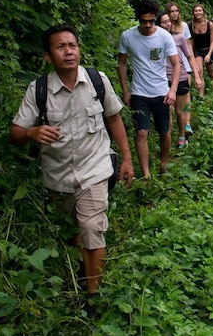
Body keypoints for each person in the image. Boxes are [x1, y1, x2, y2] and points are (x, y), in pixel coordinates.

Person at [9, 24, 135, 303]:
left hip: (95, 169)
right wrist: (32, 133)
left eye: (72, 46)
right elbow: (15, 133)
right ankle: (84, 263)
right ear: (48, 56)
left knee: (91, 228)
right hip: (59, 178)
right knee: (74, 231)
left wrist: (126, 158)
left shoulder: (96, 80)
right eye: (60, 47)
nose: (68, 52)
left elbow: (114, 118)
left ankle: (92, 294)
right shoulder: (38, 90)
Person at [117, 0, 180, 177]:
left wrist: (173, 90)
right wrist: (125, 91)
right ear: (138, 19)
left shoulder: (164, 37)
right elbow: (121, 64)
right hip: (139, 92)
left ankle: (164, 162)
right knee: (141, 132)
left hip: (161, 92)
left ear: (156, 19)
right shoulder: (127, 37)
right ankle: (146, 174)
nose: (147, 25)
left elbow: (176, 65)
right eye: (143, 21)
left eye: (151, 21)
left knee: (164, 131)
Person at [158, 11, 193, 148]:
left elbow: (189, 56)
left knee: (179, 110)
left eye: (168, 21)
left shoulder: (179, 38)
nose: (167, 24)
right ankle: (167, 139)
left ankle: (182, 136)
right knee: (167, 111)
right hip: (163, 78)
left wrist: (196, 73)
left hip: (181, 77)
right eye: (164, 22)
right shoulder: (155, 40)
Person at [165, 1, 203, 103]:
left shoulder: (183, 26)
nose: (175, 13)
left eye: (176, 11)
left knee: (186, 94)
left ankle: (187, 119)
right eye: (172, 11)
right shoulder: (165, 27)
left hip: (184, 62)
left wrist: (194, 63)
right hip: (169, 64)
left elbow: (188, 45)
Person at [190, 3, 213, 94]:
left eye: (200, 10)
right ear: (193, 13)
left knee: (212, 73)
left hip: (209, 48)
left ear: (203, 12)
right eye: (196, 11)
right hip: (197, 50)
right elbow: (191, 41)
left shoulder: (210, 24)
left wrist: (209, 54)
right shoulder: (191, 24)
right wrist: (191, 55)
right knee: (199, 71)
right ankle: (201, 96)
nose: (198, 13)